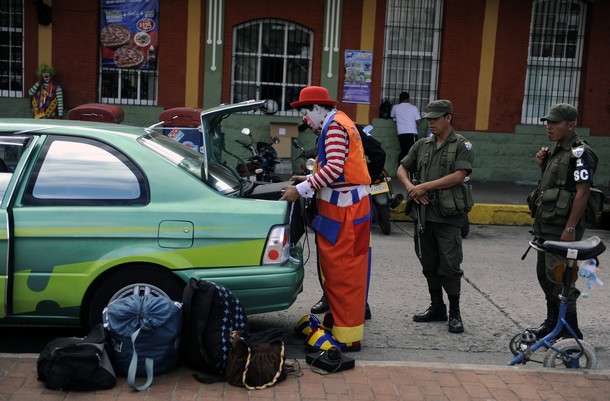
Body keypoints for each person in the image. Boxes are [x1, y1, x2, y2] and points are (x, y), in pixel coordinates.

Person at [280, 86, 371, 352]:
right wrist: (307, 180)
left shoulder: (334, 127)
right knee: (335, 270)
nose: (305, 120)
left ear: (318, 108)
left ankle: (347, 336)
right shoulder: (337, 123)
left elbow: (333, 170)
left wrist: (300, 189)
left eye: (305, 112)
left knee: (343, 272)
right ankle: (338, 325)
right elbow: (333, 169)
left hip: (346, 211)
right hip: (342, 210)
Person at [396, 99, 474, 334]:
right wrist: (412, 188)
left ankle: (455, 313)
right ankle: (437, 307)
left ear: (448, 118)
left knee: (450, 265)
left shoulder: (462, 144)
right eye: (428, 118)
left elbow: (459, 175)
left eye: (435, 118)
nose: (430, 122)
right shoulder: (421, 145)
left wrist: (425, 187)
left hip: (448, 216)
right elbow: (401, 169)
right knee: (428, 263)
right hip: (424, 214)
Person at [526, 103, 598, 340]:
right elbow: (554, 186)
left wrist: (570, 227)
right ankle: (552, 322)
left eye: (555, 123)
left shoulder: (580, 152)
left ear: (571, 125)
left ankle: (570, 331)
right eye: (548, 122)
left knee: (560, 278)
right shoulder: (557, 150)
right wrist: (543, 165)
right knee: (544, 276)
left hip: (562, 227)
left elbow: (583, 192)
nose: (549, 127)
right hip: (546, 225)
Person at [391, 92, 422, 163]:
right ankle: (410, 170)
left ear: (400, 99)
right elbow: (418, 122)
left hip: (401, 132)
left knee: (403, 151)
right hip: (412, 132)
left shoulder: (395, 107)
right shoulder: (413, 108)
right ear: (408, 98)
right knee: (412, 152)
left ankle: (400, 167)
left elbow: (393, 117)